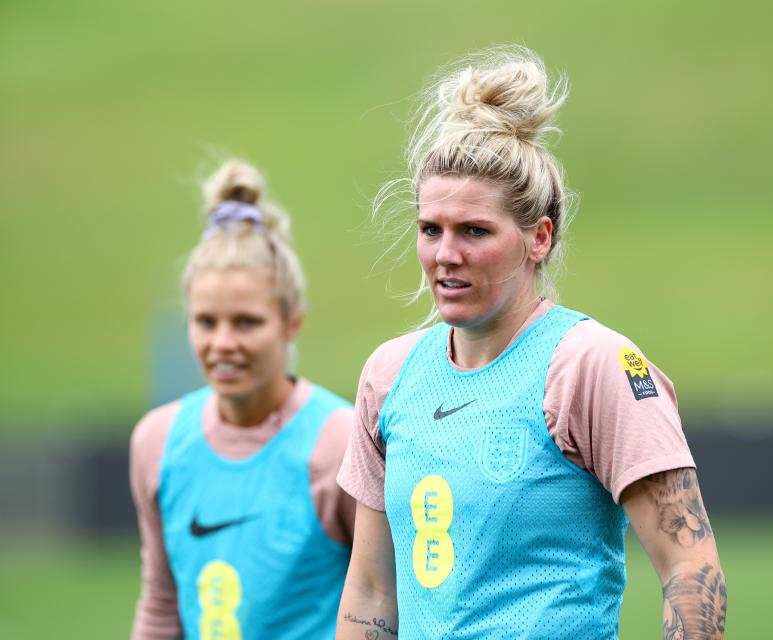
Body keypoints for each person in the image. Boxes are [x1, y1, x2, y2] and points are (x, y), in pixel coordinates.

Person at [335, 46, 726, 639]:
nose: (445, 254)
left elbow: (690, 567)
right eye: (430, 230)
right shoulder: (389, 376)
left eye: (474, 231)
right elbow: (369, 591)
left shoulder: (591, 364)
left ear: (538, 237)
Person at [129, 160, 355, 639]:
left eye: (247, 322)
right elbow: (161, 603)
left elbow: (382, 600)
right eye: (206, 322)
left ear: (292, 321)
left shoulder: (339, 442)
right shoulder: (158, 441)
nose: (223, 343)